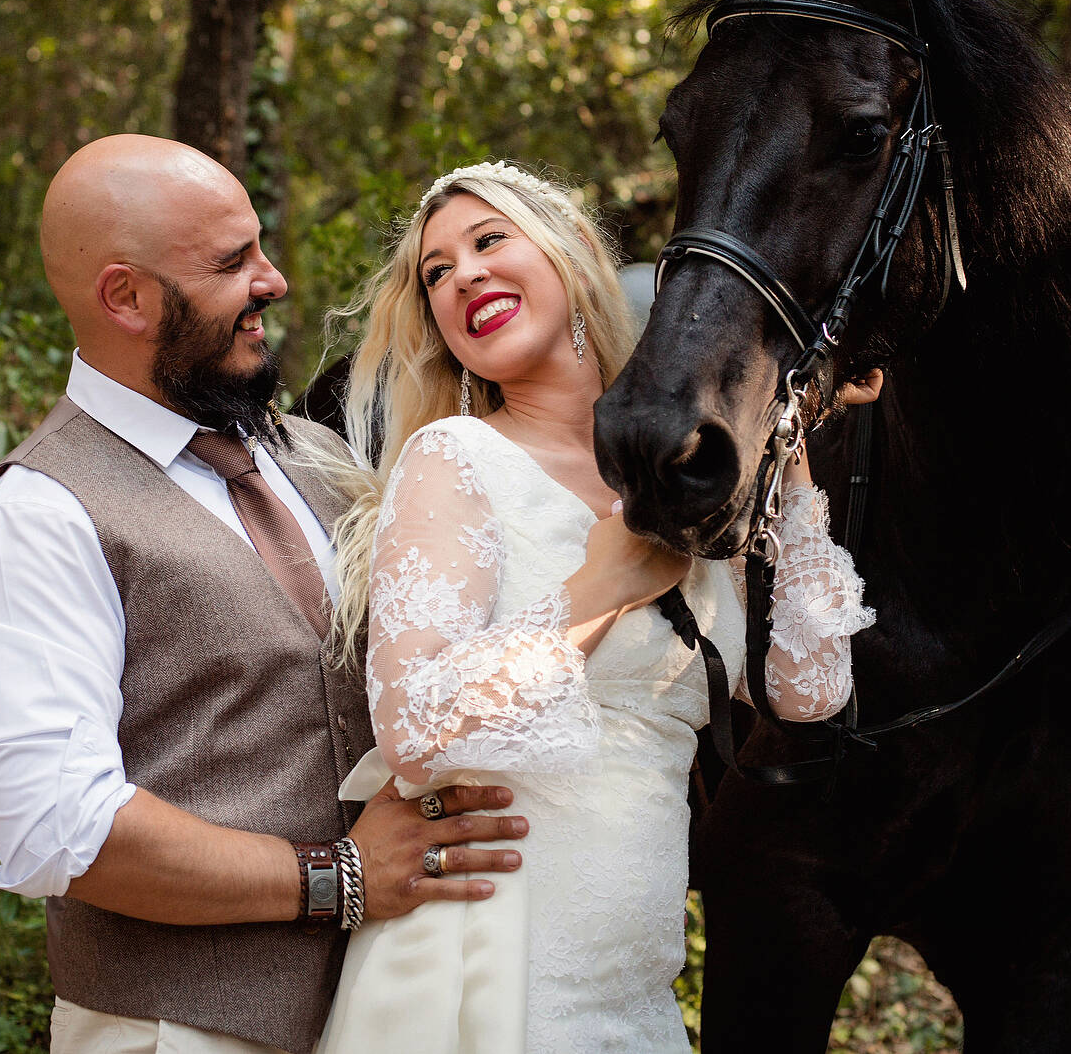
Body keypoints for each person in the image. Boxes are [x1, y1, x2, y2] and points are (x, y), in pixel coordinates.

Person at [0, 135, 529, 1054]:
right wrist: (339, 876)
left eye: (258, 245)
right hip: (178, 1030)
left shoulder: (314, 457)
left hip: (386, 1013)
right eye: (230, 262)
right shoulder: (38, 514)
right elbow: (60, 824)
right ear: (124, 296)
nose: (274, 279)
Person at [314, 161, 879, 1053]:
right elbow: (413, 728)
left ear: (574, 253)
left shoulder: (672, 474)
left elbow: (811, 688)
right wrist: (605, 583)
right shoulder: (453, 457)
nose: (462, 273)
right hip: (486, 970)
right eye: (436, 273)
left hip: (632, 986)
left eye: (489, 239)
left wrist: (788, 441)